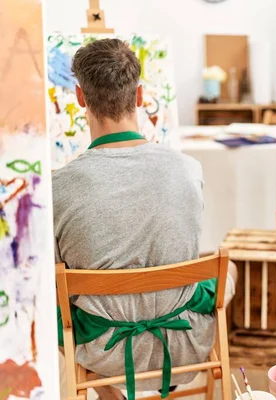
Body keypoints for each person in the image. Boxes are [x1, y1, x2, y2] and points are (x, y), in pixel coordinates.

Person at [53, 38, 237, 400]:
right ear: (139, 97)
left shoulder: (58, 187)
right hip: (186, 340)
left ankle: (108, 393)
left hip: (105, 352)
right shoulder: (188, 169)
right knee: (227, 266)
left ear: (79, 97)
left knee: (55, 295)